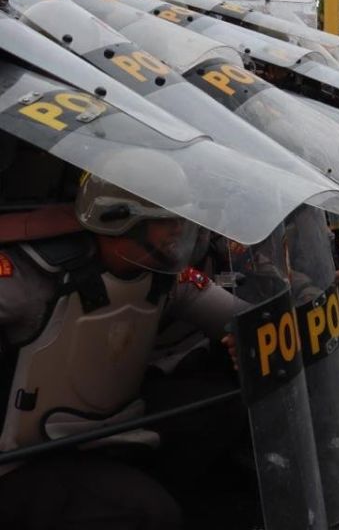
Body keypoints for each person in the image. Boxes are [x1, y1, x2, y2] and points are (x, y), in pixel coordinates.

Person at [0, 177, 245, 530]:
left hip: (103, 427)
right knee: (148, 514)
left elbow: (243, 318)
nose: (179, 230)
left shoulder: (164, 277)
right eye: (166, 219)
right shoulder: (33, 278)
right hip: (21, 459)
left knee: (218, 408)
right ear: (116, 219)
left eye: (181, 219)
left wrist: (249, 337)